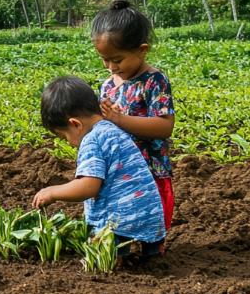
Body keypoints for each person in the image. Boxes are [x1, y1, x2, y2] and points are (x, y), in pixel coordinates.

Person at [32, 76, 166, 258]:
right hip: (151, 215)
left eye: (64, 137)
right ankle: (154, 255)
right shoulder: (113, 128)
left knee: (104, 257)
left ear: (75, 124)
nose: (69, 143)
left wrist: (53, 192)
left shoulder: (92, 140)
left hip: (121, 222)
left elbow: (88, 187)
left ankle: (119, 258)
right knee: (153, 261)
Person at [91, 0, 175, 233]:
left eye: (117, 60)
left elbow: (164, 126)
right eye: (104, 60)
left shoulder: (153, 81)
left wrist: (121, 120)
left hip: (148, 169)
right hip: (118, 169)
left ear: (142, 50)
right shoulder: (108, 85)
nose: (111, 67)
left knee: (149, 220)